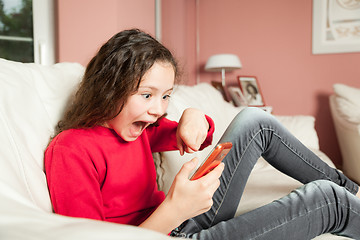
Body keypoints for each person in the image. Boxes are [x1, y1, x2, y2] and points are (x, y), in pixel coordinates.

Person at [44, 29, 360, 239]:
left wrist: (193, 116)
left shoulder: (136, 128)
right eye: (147, 95)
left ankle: (353, 190)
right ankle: (346, 199)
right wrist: (172, 211)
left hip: (184, 216)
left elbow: (200, 136)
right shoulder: (72, 149)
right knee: (328, 200)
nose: (158, 109)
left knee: (254, 119)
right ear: (108, 89)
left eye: (166, 96)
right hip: (172, 232)